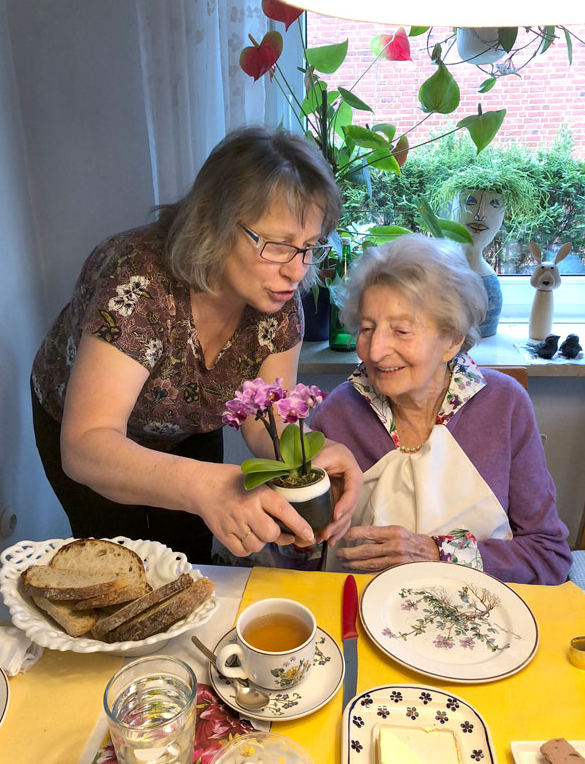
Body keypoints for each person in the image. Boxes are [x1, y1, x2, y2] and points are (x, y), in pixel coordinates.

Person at [31, 126, 362, 565]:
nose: (297, 271)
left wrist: (312, 455)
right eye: (279, 246)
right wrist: (209, 486)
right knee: (117, 563)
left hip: (185, 425)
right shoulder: (138, 284)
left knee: (186, 558)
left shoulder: (277, 302)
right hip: (88, 434)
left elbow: (268, 419)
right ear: (217, 223)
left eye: (309, 247)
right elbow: (86, 446)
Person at [311, 235, 572, 584]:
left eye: (401, 330)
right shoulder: (338, 412)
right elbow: (309, 556)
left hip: (477, 621)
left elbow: (548, 555)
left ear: (451, 340)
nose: (374, 352)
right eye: (367, 328)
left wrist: (437, 553)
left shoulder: (503, 405)